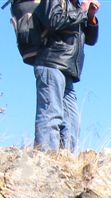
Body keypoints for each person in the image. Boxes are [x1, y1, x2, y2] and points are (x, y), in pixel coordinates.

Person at [32, 0, 100, 152]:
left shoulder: (75, 6)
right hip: (51, 63)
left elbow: (90, 40)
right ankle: (45, 158)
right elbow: (53, 20)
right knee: (51, 114)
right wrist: (83, 10)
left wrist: (90, 16)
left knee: (72, 121)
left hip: (67, 70)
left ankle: (65, 160)